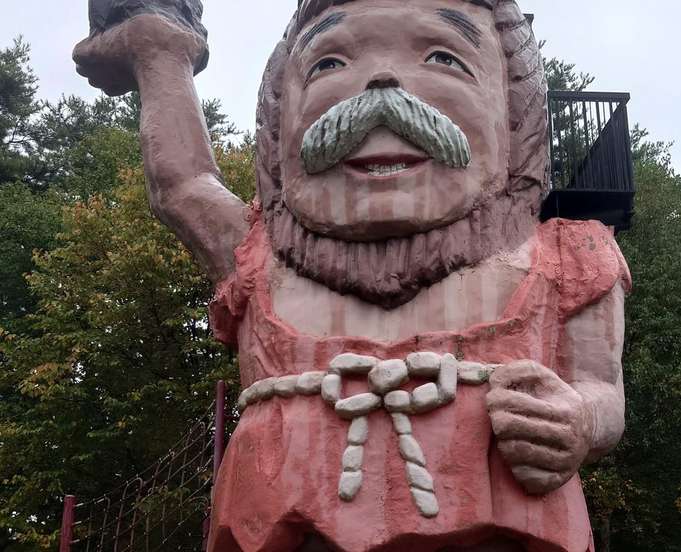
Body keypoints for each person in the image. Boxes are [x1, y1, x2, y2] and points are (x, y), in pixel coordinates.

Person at [74, 1, 630, 550]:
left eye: (443, 57)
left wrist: (578, 418)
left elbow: (602, 390)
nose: (382, 80)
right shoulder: (257, 256)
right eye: (329, 63)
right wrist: (160, 52)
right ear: (279, 124)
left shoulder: (567, 256)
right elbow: (182, 186)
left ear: (515, 117)